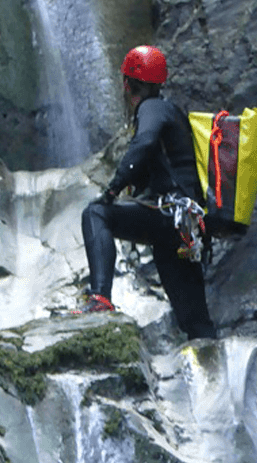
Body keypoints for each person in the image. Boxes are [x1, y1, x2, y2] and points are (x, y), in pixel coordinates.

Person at [80, 45, 217, 340]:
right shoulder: (170, 111)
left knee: (95, 213)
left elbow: (143, 145)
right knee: (196, 323)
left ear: (128, 84)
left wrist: (113, 189)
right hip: (183, 229)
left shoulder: (151, 108)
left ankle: (100, 299)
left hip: (168, 217)